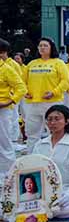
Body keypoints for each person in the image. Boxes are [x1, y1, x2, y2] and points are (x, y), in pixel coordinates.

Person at [33, 105, 69, 218]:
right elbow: (32, 169)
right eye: (49, 119)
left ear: (67, 121)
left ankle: (39, 213)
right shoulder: (40, 144)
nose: (52, 123)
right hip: (41, 192)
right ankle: (44, 211)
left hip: (64, 189)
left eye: (57, 119)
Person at [23, 38, 69, 151]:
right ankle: (32, 157)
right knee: (32, 133)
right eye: (40, 46)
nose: (42, 48)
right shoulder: (31, 64)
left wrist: (54, 92)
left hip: (52, 103)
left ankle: (53, 156)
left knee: (54, 131)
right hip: (33, 103)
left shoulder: (58, 63)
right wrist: (26, 92)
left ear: (51, 48)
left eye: (45, 46)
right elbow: (22, 81)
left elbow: (66, 81)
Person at [0, 39, 26, 181]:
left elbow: (21, 88)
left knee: (4, 141)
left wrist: (10, 101)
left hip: (3, 109)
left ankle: (10, 173)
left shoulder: (7, 69)